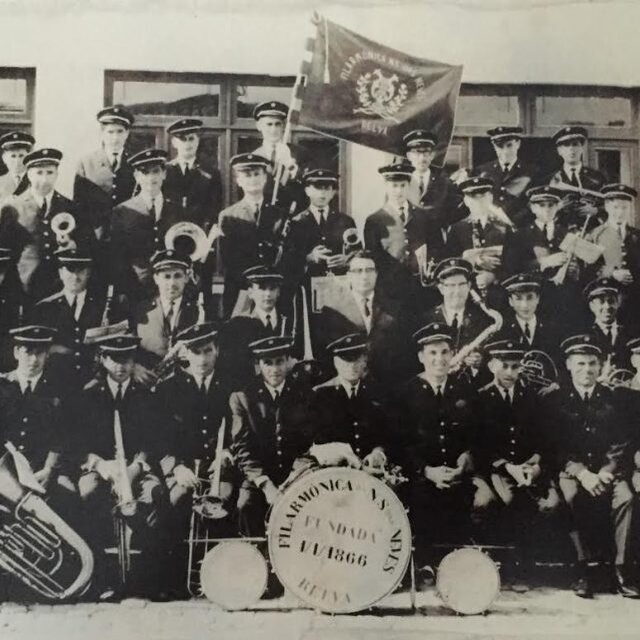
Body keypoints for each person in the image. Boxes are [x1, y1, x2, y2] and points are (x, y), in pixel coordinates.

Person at [541, 334, 639, 598]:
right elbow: (554, 445)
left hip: (608, 471)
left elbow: (621, 441)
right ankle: (584, 570)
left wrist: (607, 471)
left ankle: (622, 570)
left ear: (601, 365)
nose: (587, 370)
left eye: (593, 363)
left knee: (626, 499)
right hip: (573, 472)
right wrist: (582, 473)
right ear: (569, 365)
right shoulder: (555, 400)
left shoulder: (612, 398)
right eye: (581, 363)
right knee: (573, 497)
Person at [72, 333, 167, 599]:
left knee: (154, 495)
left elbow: (153, 440)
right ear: (103, 359)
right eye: (113, 358)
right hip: (100, 467)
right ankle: (102, 578)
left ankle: (145, 579)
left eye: (126, 359)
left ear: (134, 361)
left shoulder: (146, 396)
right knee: (89, 492)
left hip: (137, 467)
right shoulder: (88, 394)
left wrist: (137, 466)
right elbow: (77, 443)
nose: (120, 365)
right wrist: (100, 464)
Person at [395, 322, 495, 566]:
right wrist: (426, 471)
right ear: (421, 357)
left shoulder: (465, 390)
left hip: (459, 477)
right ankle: (426, 567)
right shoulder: (405, 393)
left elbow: (479, 436)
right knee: (423, 509)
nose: (439, 359)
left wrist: (466, 460)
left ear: (452, 355)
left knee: (470, 510)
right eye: (432, 353)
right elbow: (399, 443)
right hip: (419, 479)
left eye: (444, 352)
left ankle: (458, 565)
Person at [157, 322, 240, 595]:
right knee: (176, 500)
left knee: (224, 500)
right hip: (184, 467)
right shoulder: (168, 389)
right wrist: (176, 467)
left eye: (207, 351)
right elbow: (161, 438)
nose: (202, 359)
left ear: (217, 351)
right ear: (185, 354)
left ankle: (222, 578)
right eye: (196, 352)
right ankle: (175, 578)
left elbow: (241, 427)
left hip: (220, 466)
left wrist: (228, 451)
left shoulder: (231, 385)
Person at [475, 339, 562, 586]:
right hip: (498, 468)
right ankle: (515, 566)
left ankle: (533, 564)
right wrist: (507, 466)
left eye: (515, 367)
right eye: (504, 366)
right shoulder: (481, 398)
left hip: (528, 466)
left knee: (551, 503)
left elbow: (543, 437)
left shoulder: (530, 397)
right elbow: (480, 444)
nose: (510, 372)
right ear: (492, 366)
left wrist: (535, 463)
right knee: (513, 499)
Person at [229, 335, 314, 536]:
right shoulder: (242, 396)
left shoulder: (304, 393)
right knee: (246, 506)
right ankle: (256, 553)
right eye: (268, 363)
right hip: (259, 476)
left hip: (296, 474)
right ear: (258, 365)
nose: (274, 369)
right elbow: (243, 448)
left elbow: (310, 441)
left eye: (279, 362)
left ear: (288, 362)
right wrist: (266, 485)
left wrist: (295, 478)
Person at [30, 247, 129, 385]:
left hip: (95, 383)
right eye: (70, 270)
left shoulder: (106, 306)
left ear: (88, 273)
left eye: (80, 271)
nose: (75, 277)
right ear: (61, 273)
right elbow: (36, 349)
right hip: (56, 382)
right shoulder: (44, 308)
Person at [313, 250, 414, 384]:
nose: (364, 276)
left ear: (376, 274)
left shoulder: (394, 309)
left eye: (369, 270)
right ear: (348, 276)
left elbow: (403, 352)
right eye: (358, 271)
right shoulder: (332, 311)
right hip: (350, 385)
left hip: (387, 384)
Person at [0, 325, 74, 503]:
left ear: (47, 355)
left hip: (41, 471)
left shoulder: (58, 390)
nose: (33, 360)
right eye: (28, 352)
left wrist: (49, 469)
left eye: (39, 353)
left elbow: (60, 437)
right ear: (16, 352)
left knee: (70, 498)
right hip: (3, 468)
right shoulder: (2, 386)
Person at [308, 333, 396, 474]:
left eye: (357, 359)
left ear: (365, 361)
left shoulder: (377, 393)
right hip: (334, 475)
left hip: (373, 474)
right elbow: (314, 444)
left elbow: (386, 435)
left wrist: (378, 453)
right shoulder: (320, 395)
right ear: (336, 363)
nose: (352, 365)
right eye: (346, 360)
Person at [109, 148, 185, 298]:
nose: (151, 178)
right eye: (145, 172)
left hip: (170, 289)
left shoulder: (177, 210)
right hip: (135, 288)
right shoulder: (122, 211)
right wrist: (124, 290)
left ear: (164, 174)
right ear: (136, 176)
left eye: (156, 171)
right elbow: (117, 256)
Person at [218, 153, 285, 317]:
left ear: (265, 178)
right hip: (241, 290)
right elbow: (229, 260)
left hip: (271, 291)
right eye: (247, 175)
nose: (253, 179)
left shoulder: (279, 214)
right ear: (238, 181)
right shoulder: (228, 216)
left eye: (257, 174)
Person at [16, 147, 80, 293]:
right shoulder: (13, 208)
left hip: (59, 286)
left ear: (57, 174)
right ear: (29, 175)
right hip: (23, 287)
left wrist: (72, 244)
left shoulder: (70, 207)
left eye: (50, 172)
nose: (44, 179)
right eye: (39, 173)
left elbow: (83, 244)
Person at [218, 265, 292, 388]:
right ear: (250, 292)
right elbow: (232, 368)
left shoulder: (290, 322)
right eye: (262, 288)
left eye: (273, 288)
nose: (268, 294)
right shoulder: (236, 326)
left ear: (278, 292)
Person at [422, 258, 494, 384]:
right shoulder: (426, 320)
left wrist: (479, 362)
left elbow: (491, 364)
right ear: (441, 288)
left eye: (461, 284)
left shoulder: (483, 320)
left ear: (469, 286)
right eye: (451, 285)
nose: (457, 291)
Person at [281, 168, 356, 288]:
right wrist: (309, 258)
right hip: (307, 286)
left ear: (333, 192)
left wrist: (347, 260)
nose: (322, 193)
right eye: (317, 188)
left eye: (327, 188)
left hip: (339, 286)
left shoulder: (345, 221)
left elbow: (357, 252)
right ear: (307, 191)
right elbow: (287, 260)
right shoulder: (295, 223)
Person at [74, 106, 136, 237]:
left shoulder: (135, 163)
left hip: (128, 235)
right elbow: (79, 205)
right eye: (110, 132)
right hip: (95, 237)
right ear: (102, 134)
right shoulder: (87, 163)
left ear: (127, 133)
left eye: (120, 131)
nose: (115, 138)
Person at [133, 249, 199, 374]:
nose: (172, 283)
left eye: (177, 276)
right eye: (166, 277)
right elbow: (129, 348)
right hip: (148, 380)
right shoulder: (141, 310)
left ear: (186, 278)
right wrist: (134, 367)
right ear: (156, 279)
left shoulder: (198, 310)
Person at [448, 176, 511, 296]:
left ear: (490, 198)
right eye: (473, 198)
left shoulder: (505, 227)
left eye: (483, 196)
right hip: (468, 292)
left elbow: (515, 261)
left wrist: (494, 276)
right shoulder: (457, 229)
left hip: (500, 291)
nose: (478, 202)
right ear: (466, 201)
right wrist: (474, 260)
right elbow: (450, 262)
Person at [586, 184, 640, 320]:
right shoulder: (594, 235)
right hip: (607, 302)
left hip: (635, 299)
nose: (620, 212)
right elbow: (588, 267)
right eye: (616, 207)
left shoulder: (636, 235)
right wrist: (612, 273)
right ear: (607, 206)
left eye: (624, 207)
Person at [163, 118, 223, 230]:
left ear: (197, 141)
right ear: (174, 143)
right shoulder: (164, 171)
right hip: (169, 233)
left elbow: (214, 210)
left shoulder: (211, 174)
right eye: (182, 139)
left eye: (191, 139)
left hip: (199, 233)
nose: (187, 144)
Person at [403, 129, 468, 231]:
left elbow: (455, 215)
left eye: (426, 153)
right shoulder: (401, 184)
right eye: (417, 153)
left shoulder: (445, 184)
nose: (422, 158)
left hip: (435, 239)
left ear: (432, 155)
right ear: (409, 156)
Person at [474, 126, 540, 224]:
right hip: (491, 227)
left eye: (509, 145)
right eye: (500, 146)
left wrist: (510, 221)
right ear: (494, 147)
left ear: (518, 144)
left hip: (520, 226)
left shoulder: (532, 171)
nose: (505, 151)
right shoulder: (483, 171)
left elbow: (534, 203)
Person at [547, 126, 606, 231]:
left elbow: (612, 204)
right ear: (559, 151)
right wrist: (558, 207)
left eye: (575, 144)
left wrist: (596, 211)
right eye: (566, 145)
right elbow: (537, 211)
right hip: (560, 233)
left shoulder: (597, 177)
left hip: (591, 232)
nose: (571, 149)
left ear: (582, 148)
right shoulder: (549, 179)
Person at [251, 100, 304, 211]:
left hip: (293, 214)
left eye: (277, 124)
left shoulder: (299, 153)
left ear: (283, 126)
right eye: (269, 124)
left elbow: (309, 186)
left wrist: (291, 167)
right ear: (259, 126)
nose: (273, 129)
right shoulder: (254, 157)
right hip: (263, 215)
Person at [498, 272, 562, 358]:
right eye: (518, 299)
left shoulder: (551, 330)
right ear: (511, 301)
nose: (525, 305)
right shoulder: (502, 331)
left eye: (530, 298)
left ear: (538, 299)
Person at [581, 277, 633, 373]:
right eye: (601, 302)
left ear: (618, 303)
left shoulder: (631, 333)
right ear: (592, 306)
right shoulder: (583, 335)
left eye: (611, 301)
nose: (607, 306)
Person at [0, 131, 34, 198]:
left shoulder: (36, 180)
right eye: (13, 156)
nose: (17, 161)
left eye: (21, 156)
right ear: (4, 158)